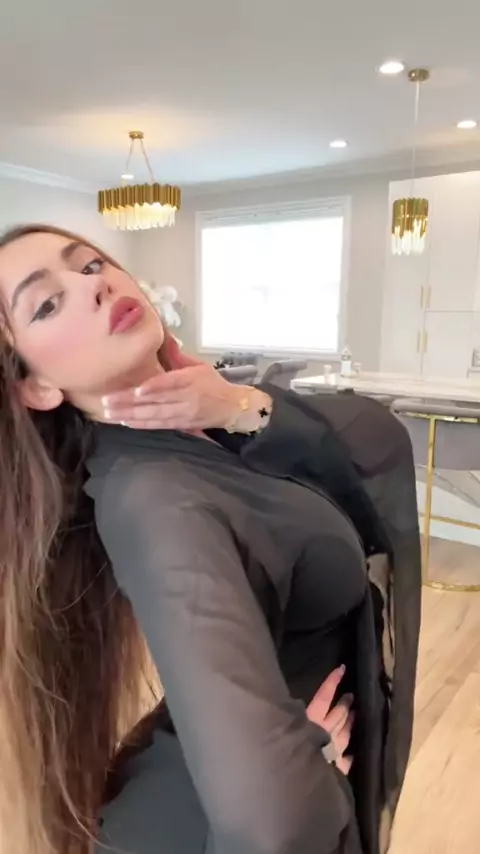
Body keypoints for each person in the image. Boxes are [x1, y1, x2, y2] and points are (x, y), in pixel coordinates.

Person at [0, 223, 421, 854]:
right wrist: (308, 777)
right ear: (36, 386)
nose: (94, 286)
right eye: (47, 304)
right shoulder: (153, 499)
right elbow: (269, 826)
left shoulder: (209, 427)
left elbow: (373, 438)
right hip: (207, 823)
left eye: (89, 266)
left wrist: (237, 405)